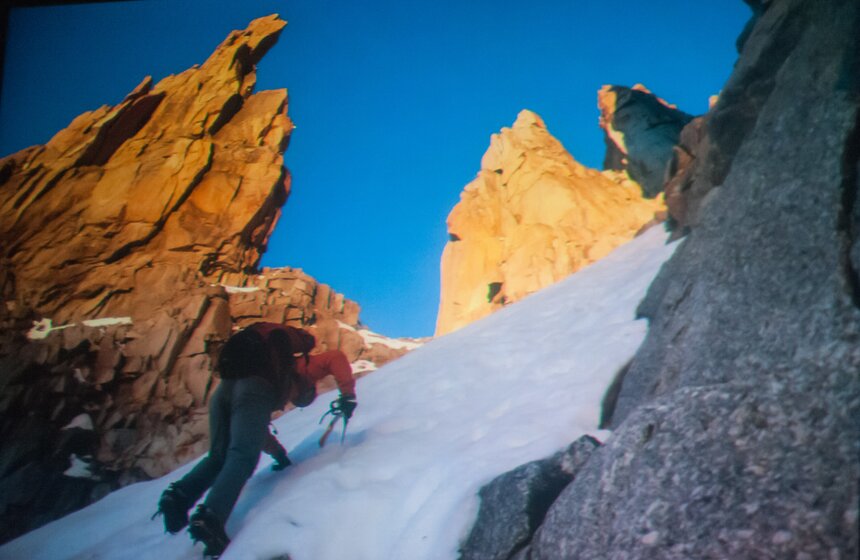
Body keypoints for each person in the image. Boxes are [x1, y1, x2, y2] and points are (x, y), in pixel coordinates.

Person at [154, 322, 357, 558]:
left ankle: (178, 497)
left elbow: (255, 431)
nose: (292, 401)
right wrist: (348, 395)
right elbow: (335, 357)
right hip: (252, 389)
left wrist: (279, 454)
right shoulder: (302, 369)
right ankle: (211, 517)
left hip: (224, 391)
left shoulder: (271, 370)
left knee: (218, 457)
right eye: (300, 399)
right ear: (306, 389)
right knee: (242, 457)